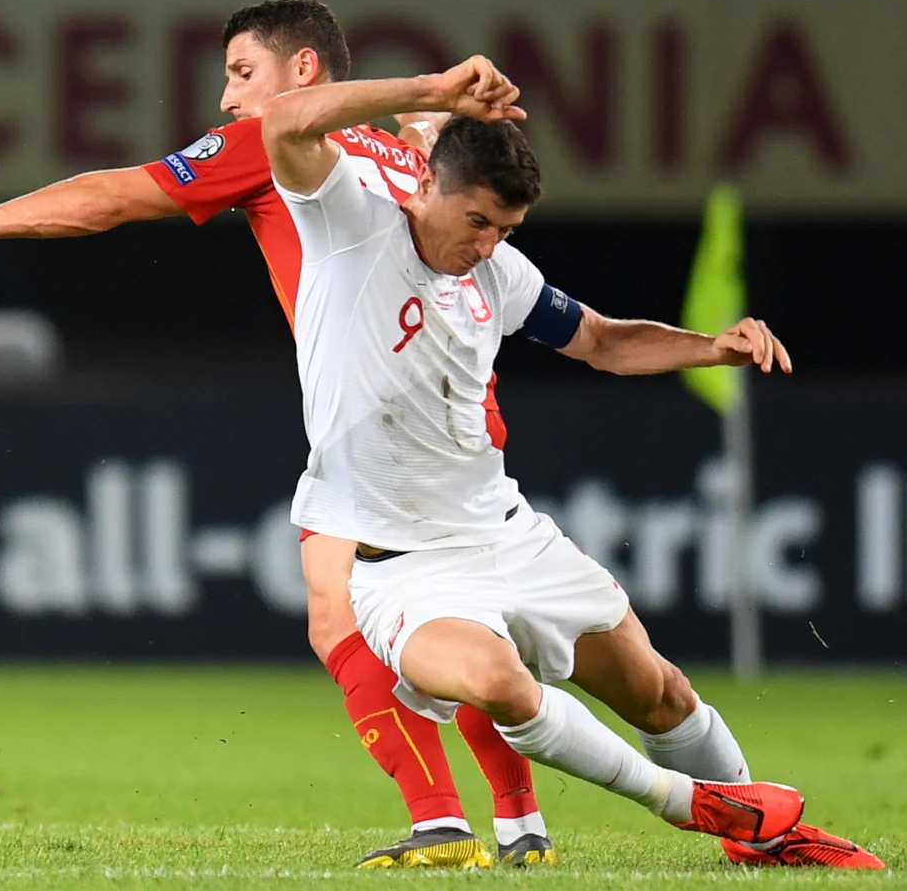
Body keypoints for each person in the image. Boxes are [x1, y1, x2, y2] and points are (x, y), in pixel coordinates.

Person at [0, 0, 552, 870]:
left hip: (384, 432)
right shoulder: (404, 150)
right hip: (459, 414)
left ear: (303, 71)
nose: (230, 100)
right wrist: (426, 120)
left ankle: (443, 822)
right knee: (435, 620)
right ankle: (518, 821)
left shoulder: (280, 142)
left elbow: (111, 197)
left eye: (242, 73)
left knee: (348, 616)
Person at [257, 53, 884, 870]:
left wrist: (712, 348)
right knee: (500, 681)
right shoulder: (347, 226)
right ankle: (701, 809)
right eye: (476, 221)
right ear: (422, 185)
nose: (486, 245)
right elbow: (281, 122)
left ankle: (763, 834)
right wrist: (430, 93)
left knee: (662, 694)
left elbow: (601, 341)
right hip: (405, 569)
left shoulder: (500, 272)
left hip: (512, 539)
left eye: (505, 231)